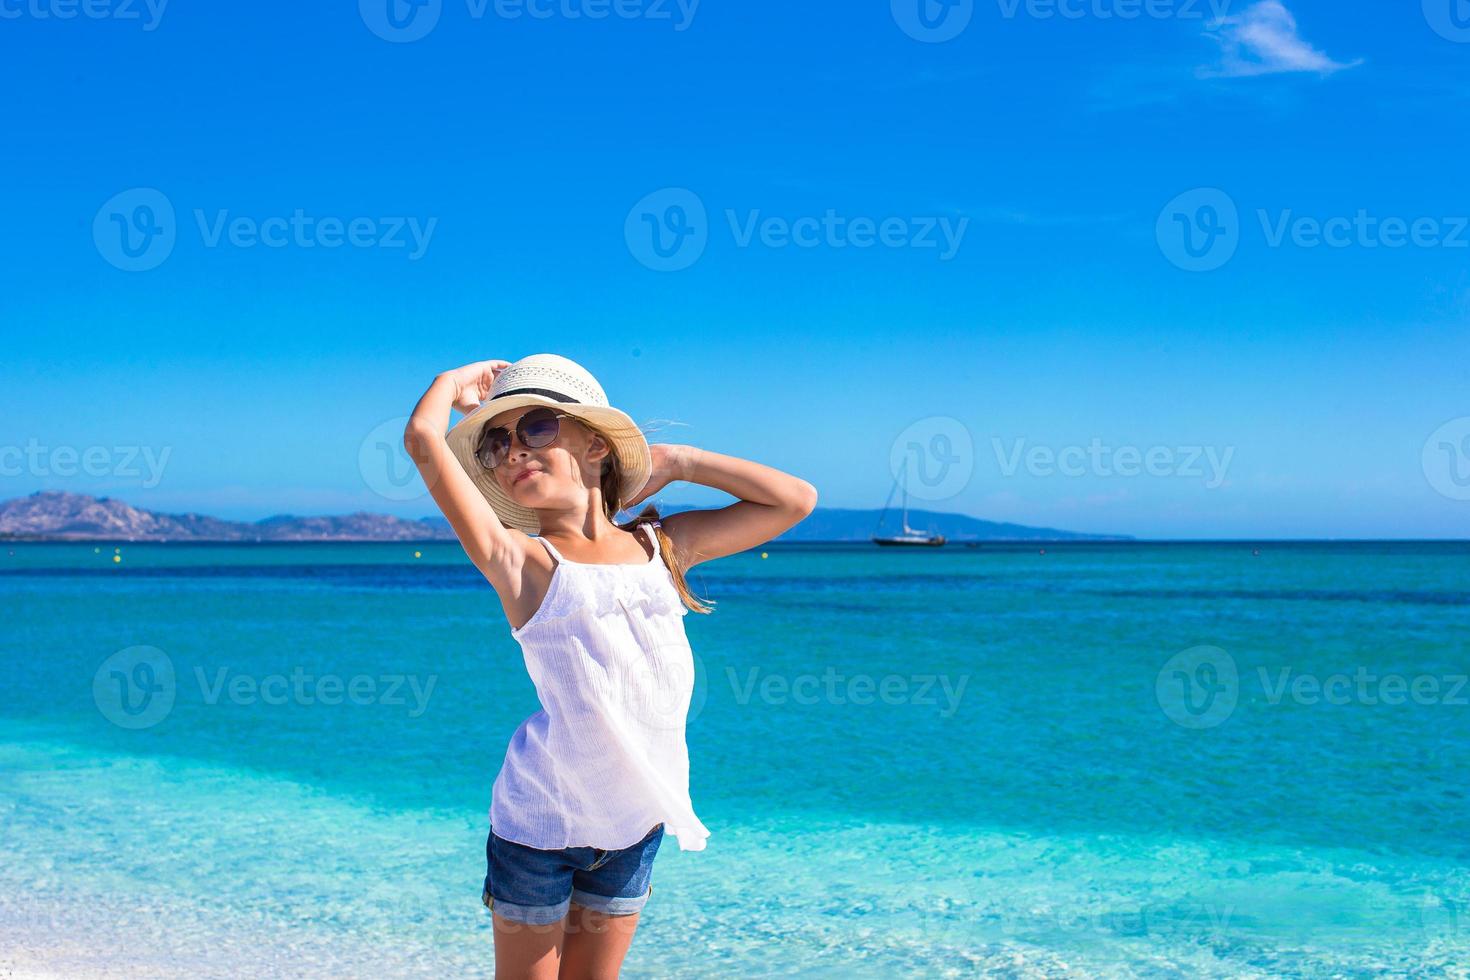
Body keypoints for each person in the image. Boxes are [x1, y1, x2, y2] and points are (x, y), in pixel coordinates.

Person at [403, 353, 817, 979]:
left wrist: (673, 461)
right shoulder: (522, 562)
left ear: (596, 445)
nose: (514, 449)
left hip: (632, 823)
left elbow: (794, 500)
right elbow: (423, 440)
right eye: (496, 441)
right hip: (537, 828)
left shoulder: (663, 548)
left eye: (537, 427)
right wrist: (450, 385)